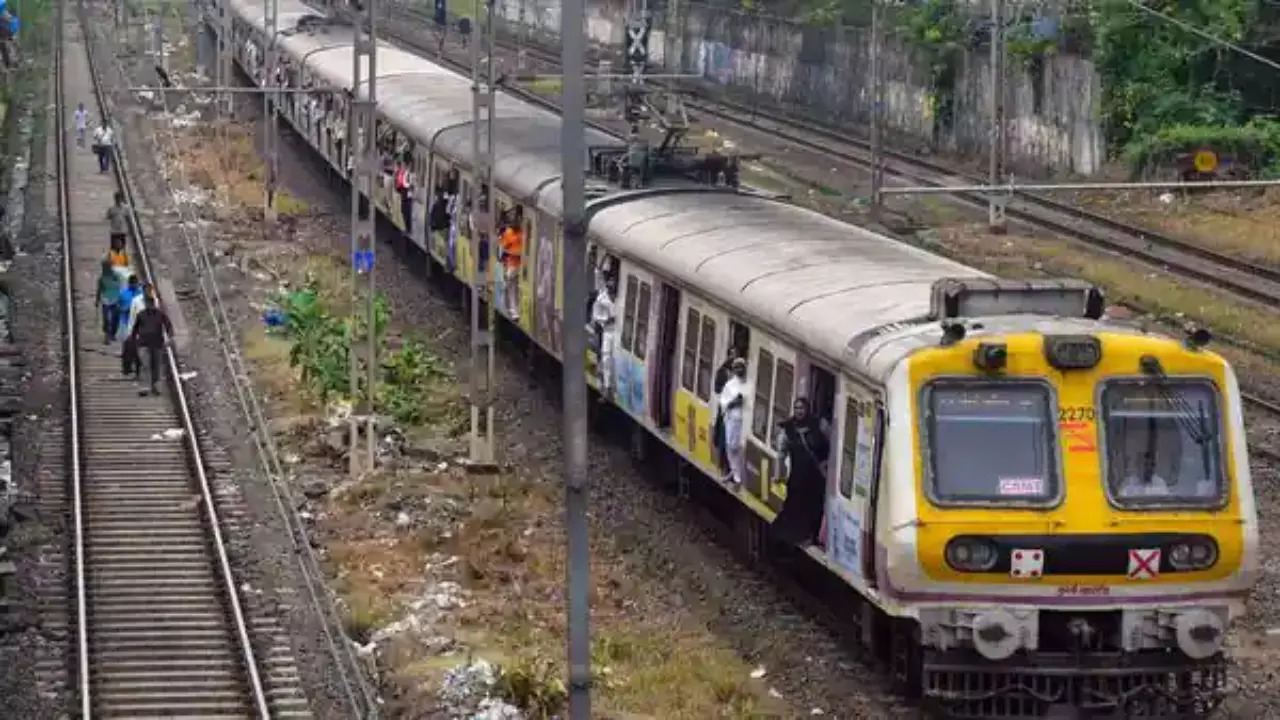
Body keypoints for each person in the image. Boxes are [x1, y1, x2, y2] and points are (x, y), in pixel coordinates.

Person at [771, 398, 831, 546]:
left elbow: (833, 443)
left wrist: (827, 464)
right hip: (798, 474)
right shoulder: (788, 428)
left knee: (814, 506)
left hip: (816, 475)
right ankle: (792, 537)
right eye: (796, 408)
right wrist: (779, 474)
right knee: (794, 506)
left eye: (802, 408)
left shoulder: (820, 424)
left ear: (807, 409)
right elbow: (781, 453)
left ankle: (812, 536)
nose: (799, 411)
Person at [130, 294, 173, 396]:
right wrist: (133, 340)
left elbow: (168, 326)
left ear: (153, 304)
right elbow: (135, 329)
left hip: (157, 344)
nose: (149, 306)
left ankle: (156, 387)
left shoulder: (160, 314)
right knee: (145, 365)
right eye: (147, 304)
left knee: (156, 366)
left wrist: (170, 339)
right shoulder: (141, 315)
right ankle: (145, 387)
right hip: (143, 344)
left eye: (150, 304)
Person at [718, 357, 750, 487]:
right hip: (733, 419)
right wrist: (733, 402)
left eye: (741, 367)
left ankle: (738, 474)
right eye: (736, 367)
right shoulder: (730, 385)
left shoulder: (749, 383)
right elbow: (724, 402)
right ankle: (735, 472)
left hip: (745, 420)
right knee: (731, 446)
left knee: (739, 447)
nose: (739, 369)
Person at [712, 346, 741, 476]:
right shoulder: (723, 371)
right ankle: (724, 465)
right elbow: (717, 389)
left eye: (736, 355)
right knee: (725, 436)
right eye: (732, 355)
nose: (734, 358)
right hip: (726, 408)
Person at [591, 274, 617, 398]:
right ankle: (607, 386)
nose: (612, 285)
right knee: (606, 358)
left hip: (618, 333)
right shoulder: (601, 299)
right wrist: (606, 320)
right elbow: (596, 316)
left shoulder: (620, 297)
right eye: (610, 282)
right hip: (607, 331)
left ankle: (613, 384)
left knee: (615, 358)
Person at [498, 206, 524, 320]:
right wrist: (515, 253)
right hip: (513, 263)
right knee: (512, 285)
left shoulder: (522, 233)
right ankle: (514, 311)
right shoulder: (508, 233)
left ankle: (516, 310)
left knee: (515, 287)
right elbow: (503, 249)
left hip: (522, 265)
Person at [94, 258, 121, 344]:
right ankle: (107, 336)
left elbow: (119, 287)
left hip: (115, 299)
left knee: (115, 318)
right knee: (107, 319)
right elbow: (99, 290)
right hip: (106, 300)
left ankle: (112, 334)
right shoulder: (101, 278)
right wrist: (97, 300)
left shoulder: (115, 276)